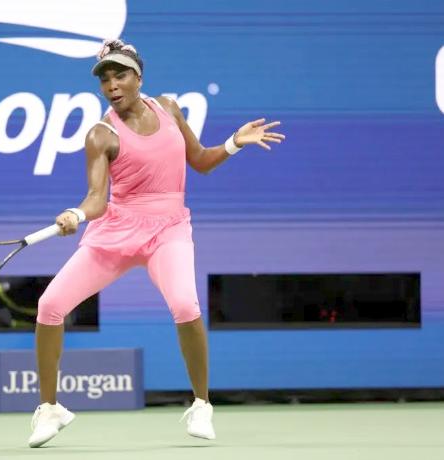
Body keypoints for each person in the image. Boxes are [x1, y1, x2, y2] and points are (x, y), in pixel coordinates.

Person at [28, 39, 285, 448]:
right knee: (49, 305)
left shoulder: (167, 108)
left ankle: (201, 404)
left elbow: (199, 160)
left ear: (138, 77)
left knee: (185, 304)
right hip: (116, 230)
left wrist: (235, 142)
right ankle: (49, 408)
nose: (112, 85)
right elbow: (96, 198)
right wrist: (75, 215)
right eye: (105, 79)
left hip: (168, 229)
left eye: (120, 75)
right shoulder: (101, 134)